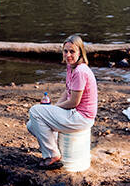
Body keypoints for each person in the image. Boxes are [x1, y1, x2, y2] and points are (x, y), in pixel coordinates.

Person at [27, 35, 98, 170]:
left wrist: (56, 108)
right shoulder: (71, 67)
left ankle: (52, 154)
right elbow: (67, 92)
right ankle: (53, 149)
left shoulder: (80, 71)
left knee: (35, 111)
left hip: (81, 117)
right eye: (66, 51)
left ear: (80, 53)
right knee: (31, 125)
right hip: (74, 113)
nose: (68, 55)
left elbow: (74, 102)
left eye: (72, 51)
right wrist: (54, 108)